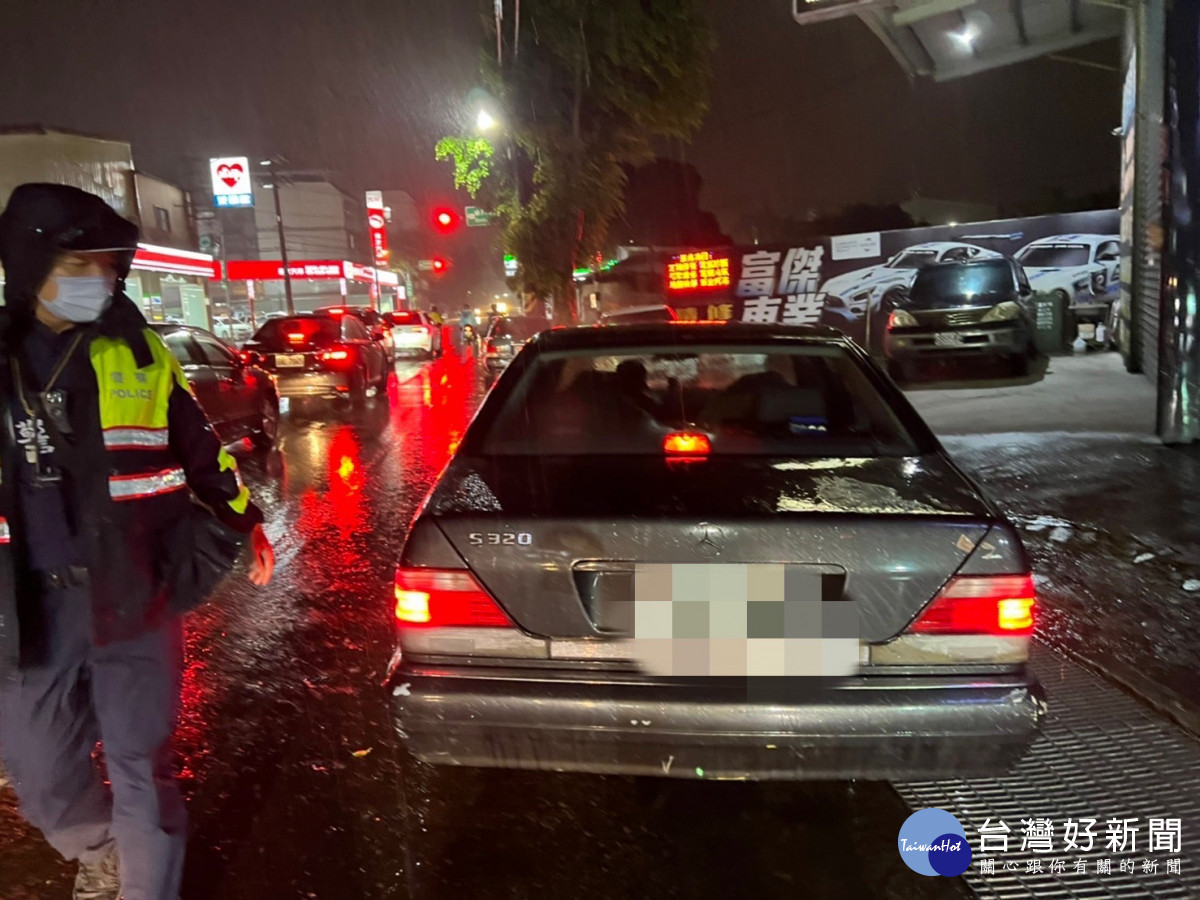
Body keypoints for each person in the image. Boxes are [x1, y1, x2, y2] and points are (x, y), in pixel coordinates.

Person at [0, 184, 275, 900]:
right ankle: (99, 847)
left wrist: (246, 518)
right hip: (29, 610)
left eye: (106, 267)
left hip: (134, 592)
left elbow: (198, 444)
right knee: (39, 774)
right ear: (33, 264)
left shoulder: (140, 352)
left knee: (139, 766)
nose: (99, 281)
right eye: (79, 265)